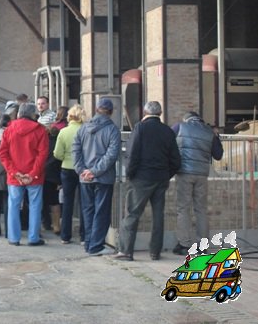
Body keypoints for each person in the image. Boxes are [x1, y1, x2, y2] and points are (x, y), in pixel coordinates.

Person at [114, 101, 181, 261]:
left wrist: (130, 174)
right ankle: (155, 251)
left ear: (144, 112)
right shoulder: (168, 131)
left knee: (132, 214)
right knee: (158, 216)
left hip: (141, 178)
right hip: (161, 178)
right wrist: (167, 174)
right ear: (160, 113)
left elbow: (133, 153)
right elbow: (176, 160)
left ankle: (126, 251)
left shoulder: (140, 128)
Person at [72, 98, 121, 256]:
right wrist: (95, 171)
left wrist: (82, 170)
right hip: (103, 178)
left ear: (96, 108)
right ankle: (96, 245)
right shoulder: (112, 130)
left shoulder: (83, 128)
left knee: (87, 210)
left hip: (85, 178)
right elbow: (111, 155)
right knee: (101, 211)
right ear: (111, 112)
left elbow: (76, 150)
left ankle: (88, 243)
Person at [171, 111, 223, 255]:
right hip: (202, 174)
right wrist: (217, 136)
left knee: (183, 208)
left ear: (186, 119)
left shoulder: (179, 127)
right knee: (201, 209)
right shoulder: (209, 131)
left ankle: (184, 244)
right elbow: (218, 155)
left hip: (184, 173)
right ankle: (203, 245)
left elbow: (168, 144)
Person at [0, 103, 49, 246]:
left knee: (13, 206)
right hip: (34, 177)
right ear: (33, 114)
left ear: (19, 113)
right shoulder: (40, 130)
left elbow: (3, 153)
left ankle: (14, 238)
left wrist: (14, 172)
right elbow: (42, 154)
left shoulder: (9, 130)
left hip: (15, 176)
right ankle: (33, 238)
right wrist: (32, 174)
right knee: (35, 206)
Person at [54, 104, 87, 244]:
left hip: (67, 168)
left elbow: (57, 154)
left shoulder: (63, 132)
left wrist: (66, 158)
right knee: (84, 202)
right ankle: (84, 236)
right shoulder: (86, 131)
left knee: (67, 203)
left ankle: (65, 236)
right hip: (83, 169)